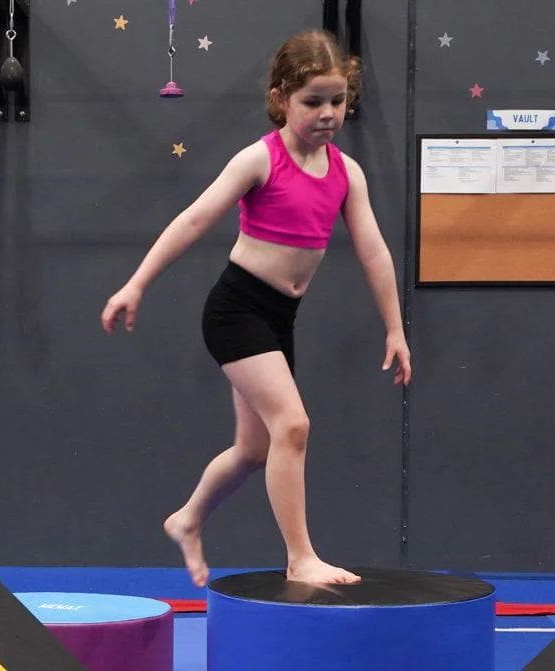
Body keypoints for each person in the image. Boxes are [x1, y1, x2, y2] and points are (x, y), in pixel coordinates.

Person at [101, 29, 412, 588]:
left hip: (278, 317)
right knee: (293, 425)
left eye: (337, 100)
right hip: (236, 309)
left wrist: (395, 328)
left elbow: (373, 250)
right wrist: (136, 284)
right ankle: (301, 557)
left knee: (254, 448)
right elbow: (194, 220)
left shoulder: (347, 174)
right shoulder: (259, 160)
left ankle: (187, 518)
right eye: (312, 101)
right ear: (281, 99)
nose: (327, 113)